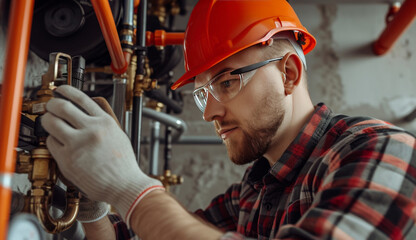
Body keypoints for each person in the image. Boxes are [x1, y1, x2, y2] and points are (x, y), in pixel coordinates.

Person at [41, 0, 416, 239]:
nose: (208, 112)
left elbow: (148, 212)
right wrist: (93, 201)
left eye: (226, 81)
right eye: (203, 92)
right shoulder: (252, 194)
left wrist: (129, 187)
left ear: (288, 73)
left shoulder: (381, 149)